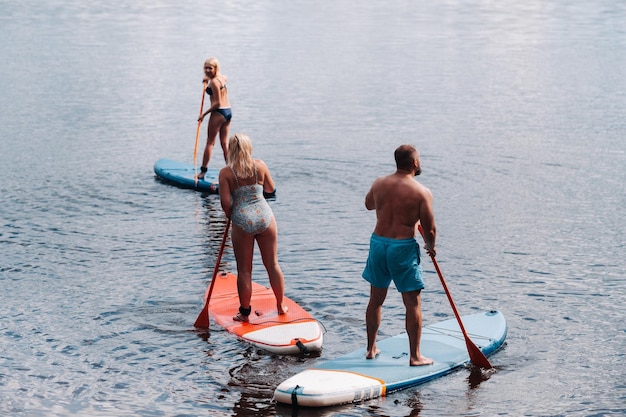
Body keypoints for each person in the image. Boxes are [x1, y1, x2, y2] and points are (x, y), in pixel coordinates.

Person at [362, 144, 437, 366]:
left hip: (378, 244)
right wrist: (430, 246)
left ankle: (370, 348)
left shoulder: (379, 183)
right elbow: (430, 229)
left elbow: (368, 205)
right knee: (412, 303)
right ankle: (415, 356)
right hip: (402, 247)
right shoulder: (421, 192)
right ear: (415, 163)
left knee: (375, 299)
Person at [218, 133, 287, 322]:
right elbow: (270, 190)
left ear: (231, 150)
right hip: (265, 217)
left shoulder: (226, 173)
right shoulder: (260, 165)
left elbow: (225, 203)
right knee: (272, 264)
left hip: (242, 221)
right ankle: (280, 305)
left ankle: (245, 312)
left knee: (245, 270)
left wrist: (231, 215)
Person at [197, 57, 232, 179]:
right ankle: (231, 169)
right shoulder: (221, 78)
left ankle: (202, 172)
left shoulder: (214, 83)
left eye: (210, 68)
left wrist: (203, 115)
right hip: (228, 112)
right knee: (224, 142)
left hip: (218, 112)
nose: (207, 70)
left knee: (210, 143)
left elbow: (217, 103)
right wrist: (208, 78)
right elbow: (225, 77)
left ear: (216, 68)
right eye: (205, 68)